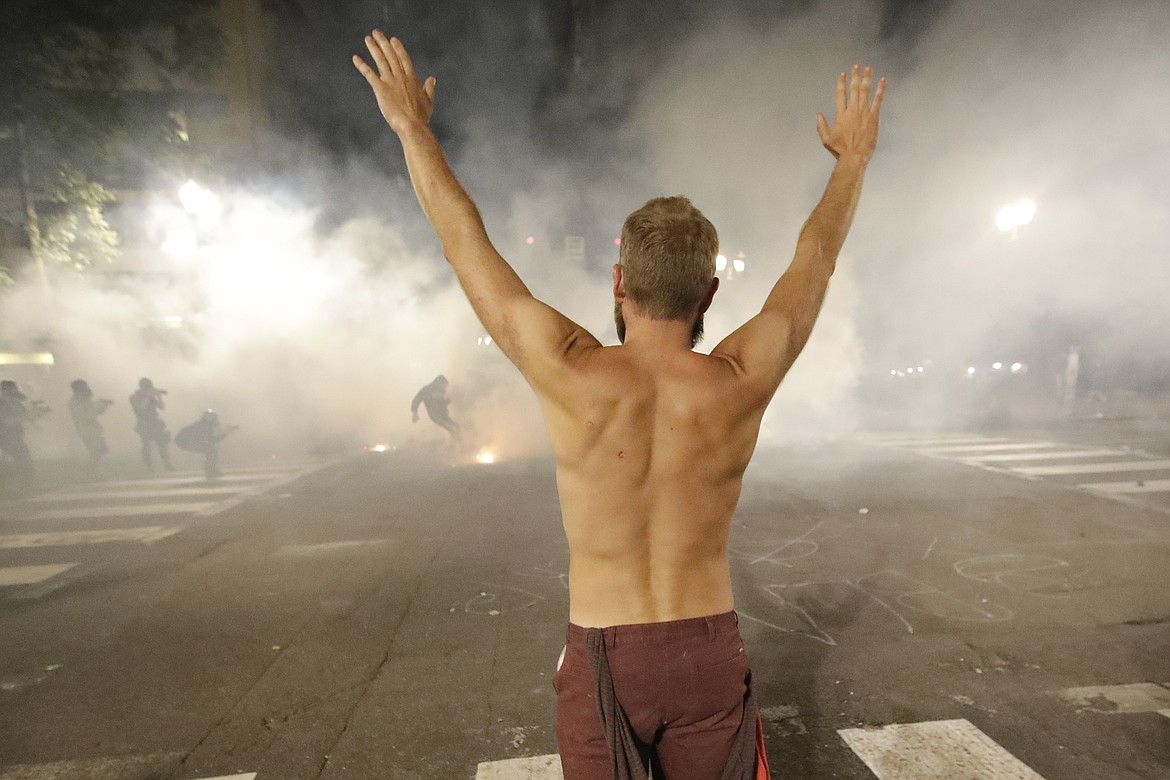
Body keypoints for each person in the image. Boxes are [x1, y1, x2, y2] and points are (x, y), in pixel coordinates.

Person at [355, 32, 884, 779]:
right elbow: (816, 259)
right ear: (709, 295)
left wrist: (412, 129)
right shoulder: (738, 378)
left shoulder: (572, 370)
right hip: (708, 650)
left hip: (608, 652)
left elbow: (463, 244)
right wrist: (853, 161)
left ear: (617, 282)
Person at [0, 379, 49, 479]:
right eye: (14, 389)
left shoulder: (16, 402)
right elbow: (8, 420)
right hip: (7, 438)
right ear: (6, 390)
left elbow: (26, 416)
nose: (17, 391)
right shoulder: (3, 404)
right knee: (24, 460)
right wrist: (29, 415)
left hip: (16, 436)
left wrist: (39, 412)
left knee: (24, 461)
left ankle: (24, 483)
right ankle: (22, 484)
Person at [174, 410, 237, 480]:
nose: (216, 420)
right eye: (213, 418)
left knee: (211, 449)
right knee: (211, 449)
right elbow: (212, 440)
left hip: (185, 441)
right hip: (185, 442)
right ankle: (210, 470)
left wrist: (225, 432)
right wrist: (226, 433)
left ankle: (211, 469)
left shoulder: (204, 424)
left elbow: (211, 440)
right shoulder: (204, 426)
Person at [129, 377, 173, 471]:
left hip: (155, 422)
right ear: (142, 387)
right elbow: (141, 406)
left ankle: (167, 463)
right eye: (148, 386)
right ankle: (149, 466)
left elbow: (162, 407)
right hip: (144, 423)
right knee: (147, 445)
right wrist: (149, 394)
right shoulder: (134, 396)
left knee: (163, 443)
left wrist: (159, 396)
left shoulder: (151, 397)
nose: (150, 388)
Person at [68, 379, 114, 469]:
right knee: (96, 452)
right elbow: (87, 415)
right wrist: (100, 404)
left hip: (94, 430)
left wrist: (103, 404)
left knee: (101, 450)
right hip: (86, 431)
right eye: (84, 387)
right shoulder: (75, 402)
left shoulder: (85, 400)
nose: (87, 389)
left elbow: (96, 410)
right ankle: (89, 471)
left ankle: (90, 471)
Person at [410, 374, 461, 441]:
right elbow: (417, 399)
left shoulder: (440, 391)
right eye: (443, 385)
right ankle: (460, 447)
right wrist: (415, 412)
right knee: (453, 429)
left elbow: (441, 403)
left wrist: (449, 400)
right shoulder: (426, 390)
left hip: (443, 415)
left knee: (457, 427)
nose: (444, 387)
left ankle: (456, 446)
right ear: (438, 383)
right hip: (435, 416)